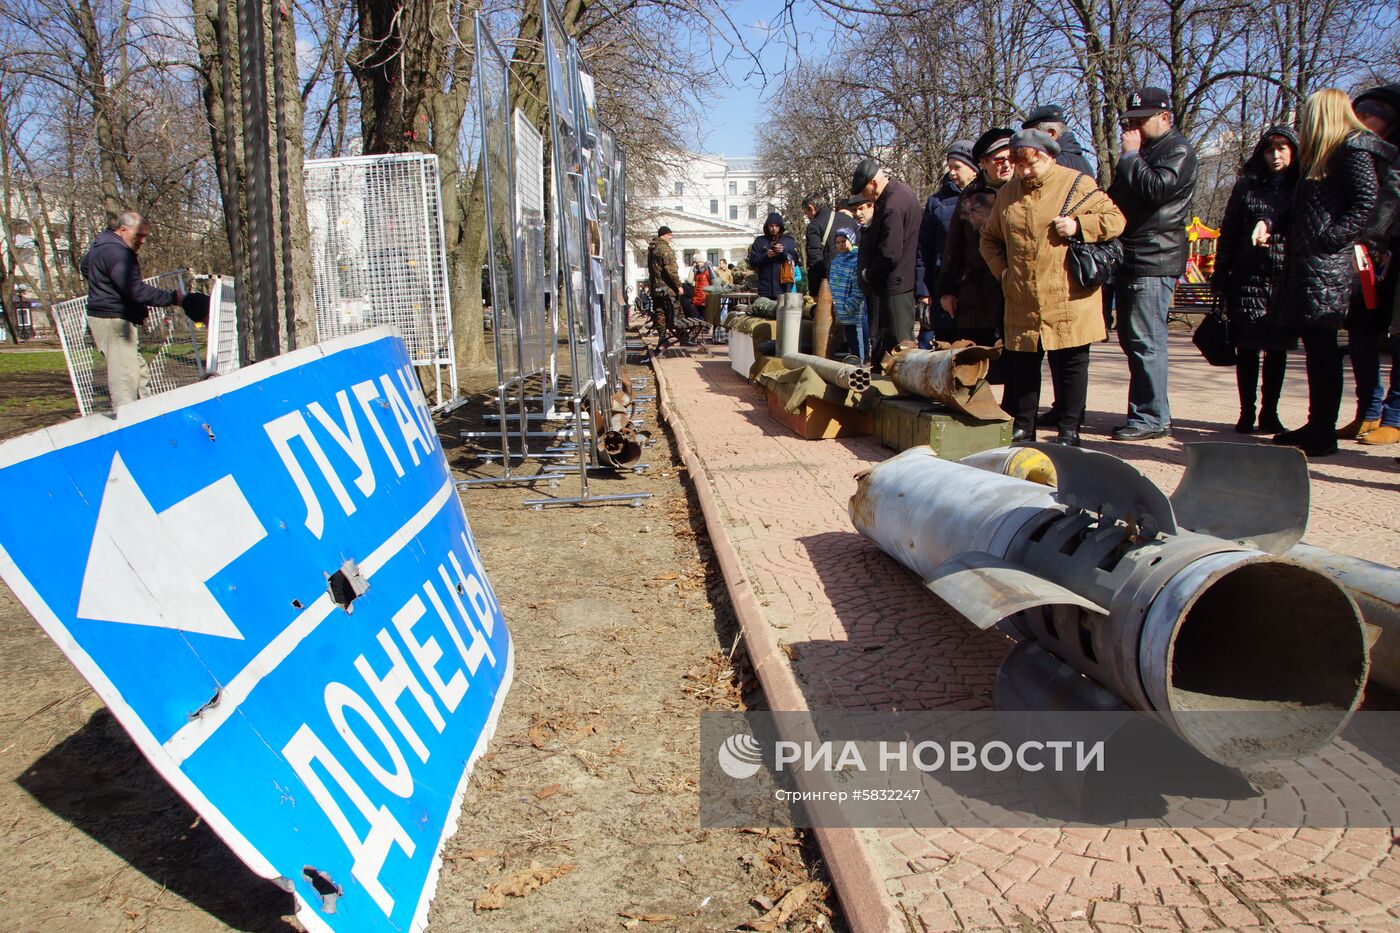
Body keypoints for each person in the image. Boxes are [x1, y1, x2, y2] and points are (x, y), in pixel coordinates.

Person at [1269, 88, 1395, 457]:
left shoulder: (1351, 149)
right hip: (1311, 262)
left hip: (1328, 263)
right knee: (1315, 349)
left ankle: (1322, 432)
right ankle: (1316, 423)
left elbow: (1365, 202)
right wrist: (1272, 223)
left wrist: (1329, 240)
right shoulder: (1321, 158)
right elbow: (1302, 208)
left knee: (1323, 349)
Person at [981, 129, 1126, 446]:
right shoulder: (1008, 193)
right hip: (1022, 295)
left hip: (1069, 296)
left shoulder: (1077, 184)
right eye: (1020, 166)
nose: (1025, 172)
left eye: (1031, 165)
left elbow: (1115, 219)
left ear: (1048, 157)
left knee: (1071, 363)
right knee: (1024, 363)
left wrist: (1079, 226)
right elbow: (989, 239)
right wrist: (1003, 272)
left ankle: (1069, 429)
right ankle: (1023, 425)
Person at [1106, 86, 1199, 441]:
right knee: (1134, 340)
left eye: (1142, 120)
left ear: (1165, 117)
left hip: (1155, 258)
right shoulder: (1146, 151)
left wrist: (1130, 157)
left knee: (1146, 340)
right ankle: (1151, 412)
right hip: (1132, 255)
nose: (1134, 128)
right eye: (1131, 121)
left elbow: (1157, 189)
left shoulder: (1177, 150)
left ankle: (1151, 418)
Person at [1211, 126, 1299, 434]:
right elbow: (1230, 231)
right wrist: (1220, 275)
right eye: (1269, 149)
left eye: (1283, 148)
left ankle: (1269, 413)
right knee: (1247, 348)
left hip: (1284, 281)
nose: (1275, 155)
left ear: (1294, 151)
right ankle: (1246, 412)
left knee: (1277, 350)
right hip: (1247, 278)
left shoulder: (1300, 186)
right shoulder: (1247, 186)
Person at [81, 211, 188, 411]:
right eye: (139, 235)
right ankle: (128, 427)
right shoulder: (117, 253)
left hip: (113, 319)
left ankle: (147, 418)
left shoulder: (101, 246)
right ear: (122, 230)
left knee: (139, 374)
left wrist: (104, 286)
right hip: (114, 321)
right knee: (125, 382)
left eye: (145, 236)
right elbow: (136, 290)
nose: (143, 241)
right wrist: (173, 298)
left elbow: (85, 267)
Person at [1347, 83, 1400, 446]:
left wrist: (1370, 236)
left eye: (1367, 117)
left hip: (1387, 248)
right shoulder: (1359, 151)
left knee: (1399, 339)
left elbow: (1392, 196)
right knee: (1360, 330)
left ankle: (1394, 417)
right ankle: (1367, 411)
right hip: (1365, 253)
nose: (1361, 124)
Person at [938, 128, 1014, 346]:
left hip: (1017, 296)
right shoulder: (971, 198)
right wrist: (947, 291)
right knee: (977, 363)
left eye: (1011, 158)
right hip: (978, 295)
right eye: (999, 160)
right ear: (984, 162)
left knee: (1019, 368)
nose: (1007, 165)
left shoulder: (1024, 190)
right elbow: (954, 247)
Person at [851, 157, 921, 364]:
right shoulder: (901, 193)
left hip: (894, 286)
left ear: (873, 182)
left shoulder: (892, 205)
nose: (867, 197)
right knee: (892, 344)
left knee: (899, 348)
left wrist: (869, 274)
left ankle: (893, 393)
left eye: (865, 192)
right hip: (897, 283)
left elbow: (890, 253)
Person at [917, 140, 977, 346]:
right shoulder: (937, 202)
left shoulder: (986, 196)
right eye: (949, 167)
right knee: (946, 355)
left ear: (973, 167)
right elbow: (923, 247)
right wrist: (923, 290)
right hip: (943, 289)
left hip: (977, 294)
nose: (952, 173)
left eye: (957, 167)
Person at [1022, 105, 1095, 177]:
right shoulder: (1082, 161)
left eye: (1034, 134)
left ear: (1051, 133)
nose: (1030, 141)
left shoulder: (1055, 163)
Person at [801, 192, 849, 298]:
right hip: (852, 277)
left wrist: (815, 291)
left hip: (831, 280)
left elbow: (815, 259)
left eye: (806, 213)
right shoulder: (847, 219)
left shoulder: (814, 225)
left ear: (811, 208)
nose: (806, 216)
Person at [829, 228, 867, 363]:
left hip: (852, 307)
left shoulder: (857, 260)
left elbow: (858, 287)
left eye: (844, 241)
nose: (840, 245)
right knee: (850, 338)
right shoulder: (836, 261)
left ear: (851, 241)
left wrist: (849, 305)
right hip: (840, 308)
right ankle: (854, 361)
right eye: (838, 242)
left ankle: (860, 363)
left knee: (857, 337)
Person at [746, 212, 799, 301]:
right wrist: (766, 256)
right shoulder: (760, 241)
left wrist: (784, 252)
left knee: (783, 313)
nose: (774, 229)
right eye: (771, 226)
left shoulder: (788, 241)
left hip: (784, 286)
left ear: (780, 226)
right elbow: (753, 263)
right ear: (767, 226)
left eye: (776, 226)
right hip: (765, 287)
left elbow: (796, 260)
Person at [646, 225, 685, 344]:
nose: (670, 238)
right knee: (677, 311)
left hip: (655, 288)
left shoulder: (652, 250)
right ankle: (683, 336)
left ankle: (662, 336)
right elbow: (671, 270)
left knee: (659, 311)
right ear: (663, 235)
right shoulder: (664, 249)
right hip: (667, 288)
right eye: (669, 235)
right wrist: (678, 285)